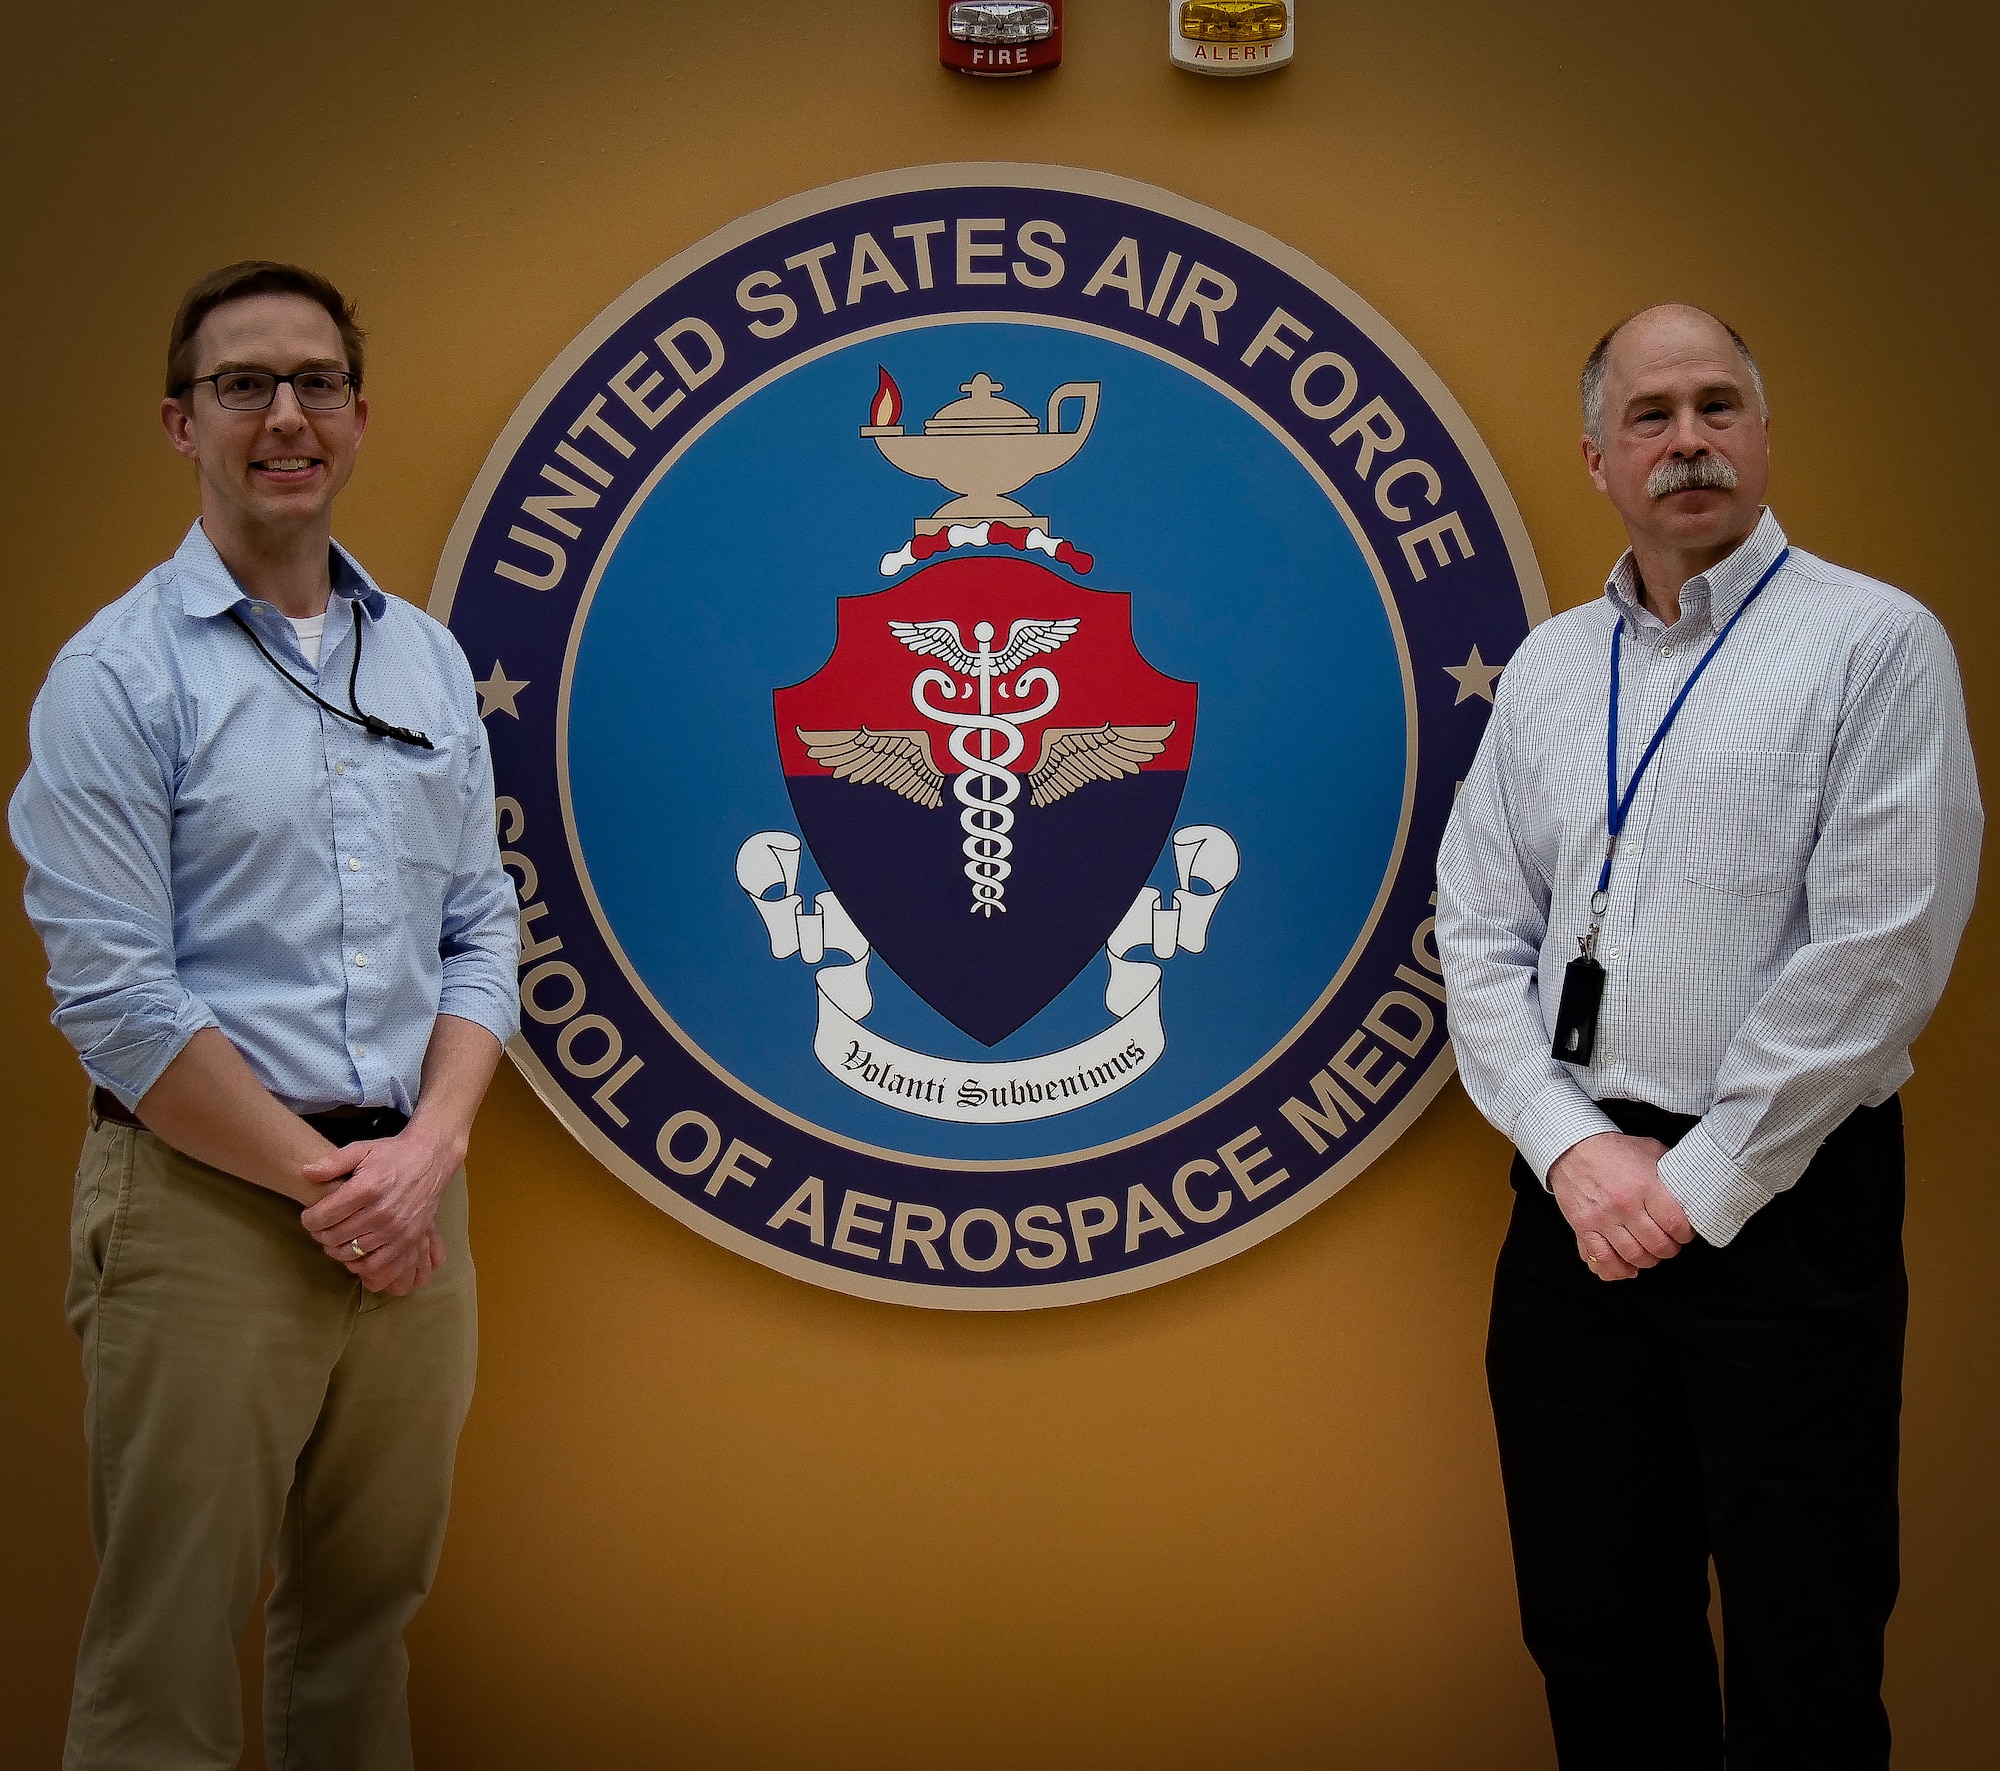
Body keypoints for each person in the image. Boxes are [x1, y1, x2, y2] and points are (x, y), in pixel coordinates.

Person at [1436, 303, 1981, 1770]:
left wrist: (1699, 1184)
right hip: (1575, 1204)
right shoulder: (1549, 672)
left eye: (1717, 407)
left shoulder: (1872, 645)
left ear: (1760, 432)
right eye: (1652, 417)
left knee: (1807, 1638)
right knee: (1595, 1627)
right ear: (1599, 460)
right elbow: (1477, 931)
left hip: (1787, 1210)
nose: (1689, 442)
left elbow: (1878, 956)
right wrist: (1574, 1154)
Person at [10, 261, 520, 1770]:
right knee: (167, 1645)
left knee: (366, 1624)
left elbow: (479, 925)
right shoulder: (117, 677)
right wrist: (342, 1192)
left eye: (313, 384)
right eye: (243, 386)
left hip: (414, 1206)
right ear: (182, 425)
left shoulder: (422, 658)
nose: (283, 415)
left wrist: (426, 1152)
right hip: (208, 1212)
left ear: (358, 418)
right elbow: (113, 998)